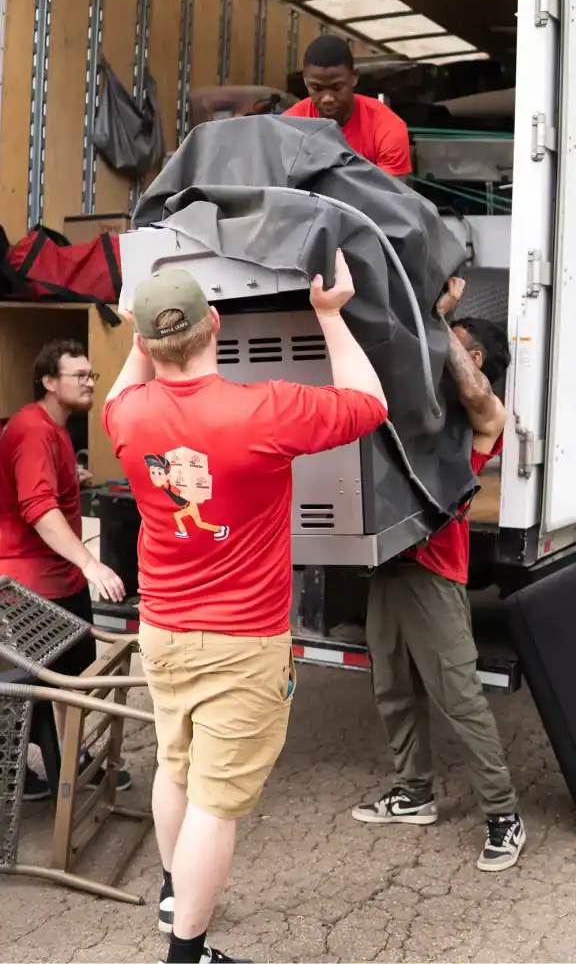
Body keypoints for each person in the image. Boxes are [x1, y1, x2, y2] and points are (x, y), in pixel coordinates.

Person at [102, 252, 387, 964]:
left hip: (162, 627)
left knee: (177, 767)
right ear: (217, 324)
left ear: (143, 343)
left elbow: (121, 387)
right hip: (242, 640)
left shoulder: (127, 417)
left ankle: (175, 893)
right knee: (216, 802)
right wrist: (329, 316)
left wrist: (140, 342)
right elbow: (369, 403)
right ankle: (187, 952)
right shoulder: (264, 409)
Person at [353, 277, 526, 873]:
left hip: (434, 573)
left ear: (471, 357)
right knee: (392, 687)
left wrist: (437, 316)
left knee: (459, 697)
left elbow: (480, 396)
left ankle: (504, 814)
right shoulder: (423, 408)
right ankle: (414, 793)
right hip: (389, 565)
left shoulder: (480, 418)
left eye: (450, 343)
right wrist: (432, 315)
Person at [0, 338, 131, 798]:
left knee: (68, 680)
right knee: (47, 686)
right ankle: (49, 775)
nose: (90, 381)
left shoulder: (52, 429)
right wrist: (92, 563)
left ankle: (57, 766)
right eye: (80, 375)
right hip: (34, 587)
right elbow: (36, 508)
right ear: (49, 382)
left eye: (92, 374)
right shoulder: (33, 430)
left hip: (59, 580)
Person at [283, 34, 411, 179]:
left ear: (354, 77)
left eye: (337, 87)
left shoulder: (388, 129)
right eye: (316, 88)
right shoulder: (288, 126)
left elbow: (391, 197)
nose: (327, 98)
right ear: (305, 81)